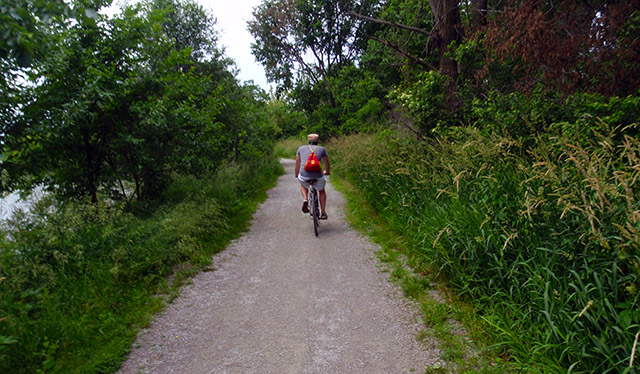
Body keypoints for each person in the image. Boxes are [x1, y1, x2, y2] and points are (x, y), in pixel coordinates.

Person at [295, 133, 330, 220]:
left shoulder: (301, 149)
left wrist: (297, 174)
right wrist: (327, 171)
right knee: (321, 190)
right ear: (318, 141)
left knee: (303, 185)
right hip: (318, 175)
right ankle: (323, 212)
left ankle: (305, 199)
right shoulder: (322, 149)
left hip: (304, 174)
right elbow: (326, 163)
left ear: (308, 141)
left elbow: (297, 163)